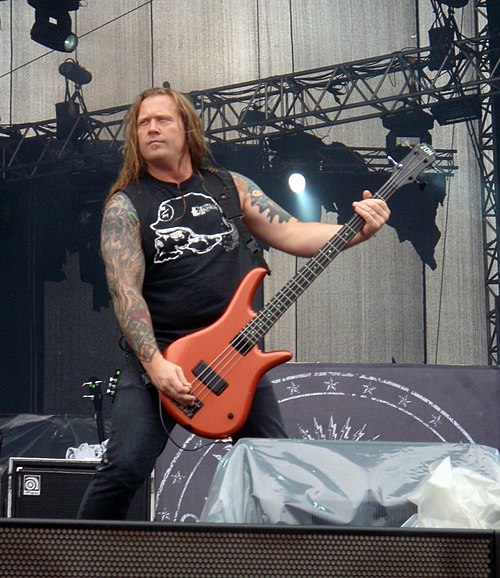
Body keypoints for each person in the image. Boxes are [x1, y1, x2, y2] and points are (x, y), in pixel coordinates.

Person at [77, 87, 390, 520]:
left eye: (162, 119)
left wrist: (358, 229)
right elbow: (125, 293)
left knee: (274, 465)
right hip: (159, 356)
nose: (151, 128)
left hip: (234, 355)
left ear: (186, 128)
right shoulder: (126, 206)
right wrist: (155, 365)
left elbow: (294, 232)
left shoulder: (229, 187)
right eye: (142, 122)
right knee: (123, 468)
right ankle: (72, 562)